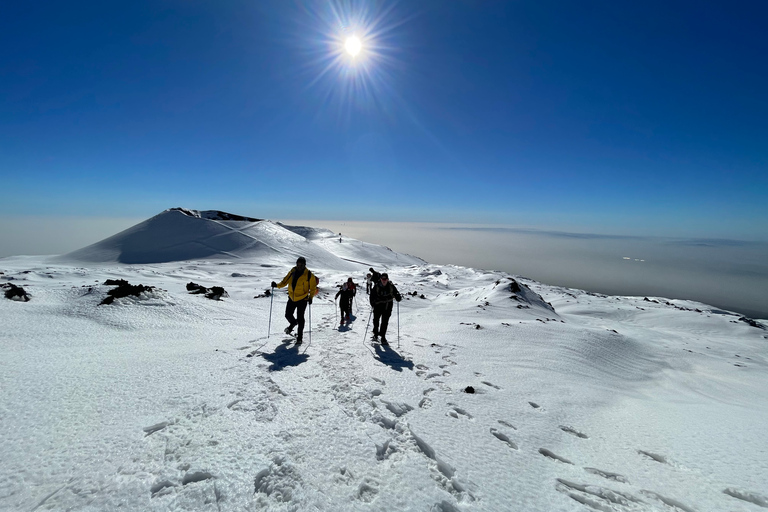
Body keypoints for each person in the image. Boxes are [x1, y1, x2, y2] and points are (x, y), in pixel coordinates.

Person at [271, 257, 317, 344]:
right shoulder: (292, 272)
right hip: (292, 298)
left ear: (304, 265)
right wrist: (276, 285)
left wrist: (310, 297)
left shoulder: (309, 275)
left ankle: (299, 337)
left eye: (301, 265)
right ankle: (293, 323)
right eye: (298, 264)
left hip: (303, 299)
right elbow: (284, 282)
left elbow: (313, 288)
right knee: (288, 315)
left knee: (300, 318)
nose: (299, 266)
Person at [369, 273, 401, 345]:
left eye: (385, 279)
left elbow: (396, 294)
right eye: (382, 279)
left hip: (387, 306)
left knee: (385, 322)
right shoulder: (376, 286)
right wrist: (372, 303)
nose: (384, 280)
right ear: (380, 279)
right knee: (376, 320)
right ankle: (376, 334)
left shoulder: (391, 286)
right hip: (378, 306)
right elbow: (372, 295)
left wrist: (398, 297)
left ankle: (383, 337)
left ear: (387, 279)